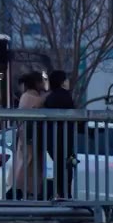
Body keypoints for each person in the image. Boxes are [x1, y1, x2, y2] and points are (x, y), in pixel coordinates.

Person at [40, 70, 77, 200]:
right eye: (66, 79)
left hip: (52, 138)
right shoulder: (66, 96)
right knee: (66, 167)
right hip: (65, 137)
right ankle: (66, 194)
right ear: (62, 81)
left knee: (59, 166)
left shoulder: (49, 97)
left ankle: (61, 193)